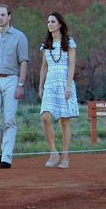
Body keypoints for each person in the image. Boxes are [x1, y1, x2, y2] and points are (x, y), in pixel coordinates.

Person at [0, 4, 29, 169]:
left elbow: (23, 61)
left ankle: (6, 158)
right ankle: (6, 146)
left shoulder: (19, 37)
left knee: (9, 120)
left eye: (2, 15)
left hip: (12, 80)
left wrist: (20, 84)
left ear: (9, 16)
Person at [39, 12, 79, 169]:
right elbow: (44, 66)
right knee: (46, 117)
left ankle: (65, 155)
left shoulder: (69, 42)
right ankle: (53, 152)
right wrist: (41, 86)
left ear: (60, 24)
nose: (49, 24)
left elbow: (72, 65)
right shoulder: (46, 45)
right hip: (50, 83)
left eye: (52, 21)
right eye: (48, 21)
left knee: (64, 120)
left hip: (64, 82)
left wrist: (68, 86)